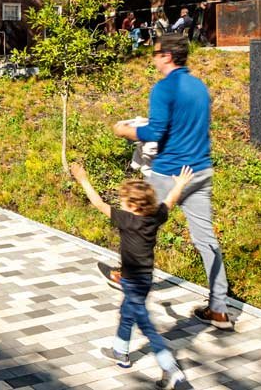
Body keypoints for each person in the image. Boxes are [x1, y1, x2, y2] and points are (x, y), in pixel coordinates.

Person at [112, 34, 232, 329]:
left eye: (154, 53)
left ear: (166, 55)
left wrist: (125, 130)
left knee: (136, 219)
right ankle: (219, 309)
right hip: (200, 172)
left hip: (168, 172)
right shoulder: (199, 87)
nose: (152, 57)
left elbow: (155, 133)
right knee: (207, 241)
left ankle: (127, 275)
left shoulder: (164, 88)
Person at [70, 161, 193, 387]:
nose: (121, 204)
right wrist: (180, 184)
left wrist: (83, 179)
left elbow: (98, 203)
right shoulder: (155, 217)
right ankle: (120, 351)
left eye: (124, 201)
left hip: (132, 282)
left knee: (147, 327)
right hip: (145, 280)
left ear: (133, 205)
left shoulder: (127, 220)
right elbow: (170, 201)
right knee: (127, 313)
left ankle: (172, 371)